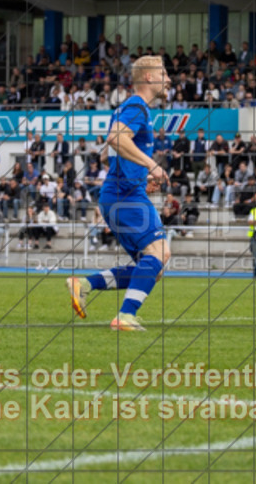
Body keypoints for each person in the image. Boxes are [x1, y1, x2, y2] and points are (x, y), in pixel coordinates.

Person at [65, 55, 171, 332]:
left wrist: (143, 175)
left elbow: (118, 148)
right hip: (124, 195)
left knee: (154, 266)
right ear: (149, 77)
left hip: (125, 192)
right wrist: (152, 165)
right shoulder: (136, 105)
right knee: (158, 254)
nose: (169, 79)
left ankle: (85, 284)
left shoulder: (135, 108)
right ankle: (124, 317)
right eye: (164, 73)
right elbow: (115, 138)